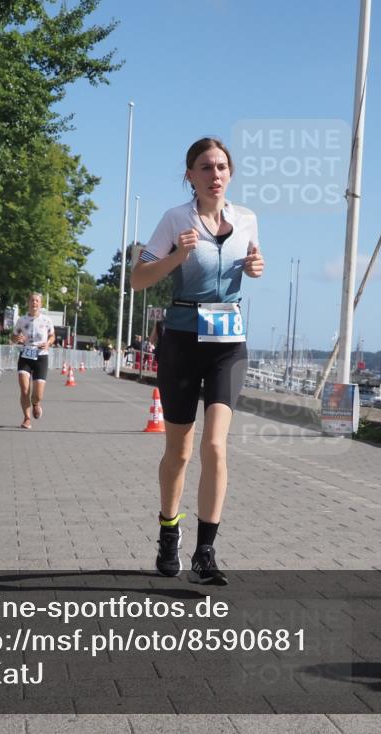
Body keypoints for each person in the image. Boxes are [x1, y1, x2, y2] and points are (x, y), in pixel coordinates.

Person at [131, 137, 264, 586]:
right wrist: (178, 256)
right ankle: (169, 531)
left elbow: (251, 262)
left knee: (216, 446)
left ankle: (205, 553)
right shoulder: (175, 219)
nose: (215, 174)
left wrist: (255, 268)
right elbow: (138, 278)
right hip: (183, 341)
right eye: (205, 167)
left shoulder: (246, 219)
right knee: (180, 452)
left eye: (221, 166)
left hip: (228, 342)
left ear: (231, 173)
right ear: (190, 175)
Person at [12, 292, 55, 429]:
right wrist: (17, 339)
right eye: (32, 300)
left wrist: (48, 343)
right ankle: (27, 418)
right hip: (25, 355)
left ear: (40, 304)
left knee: (38, 395)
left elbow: (52, 336)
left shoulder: (47, 320)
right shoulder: (21, 320)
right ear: (28, 302)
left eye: (37, 301)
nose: (34, 303)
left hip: (41, 357)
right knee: (25, 390)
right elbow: (13, 336)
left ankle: (36, 403)